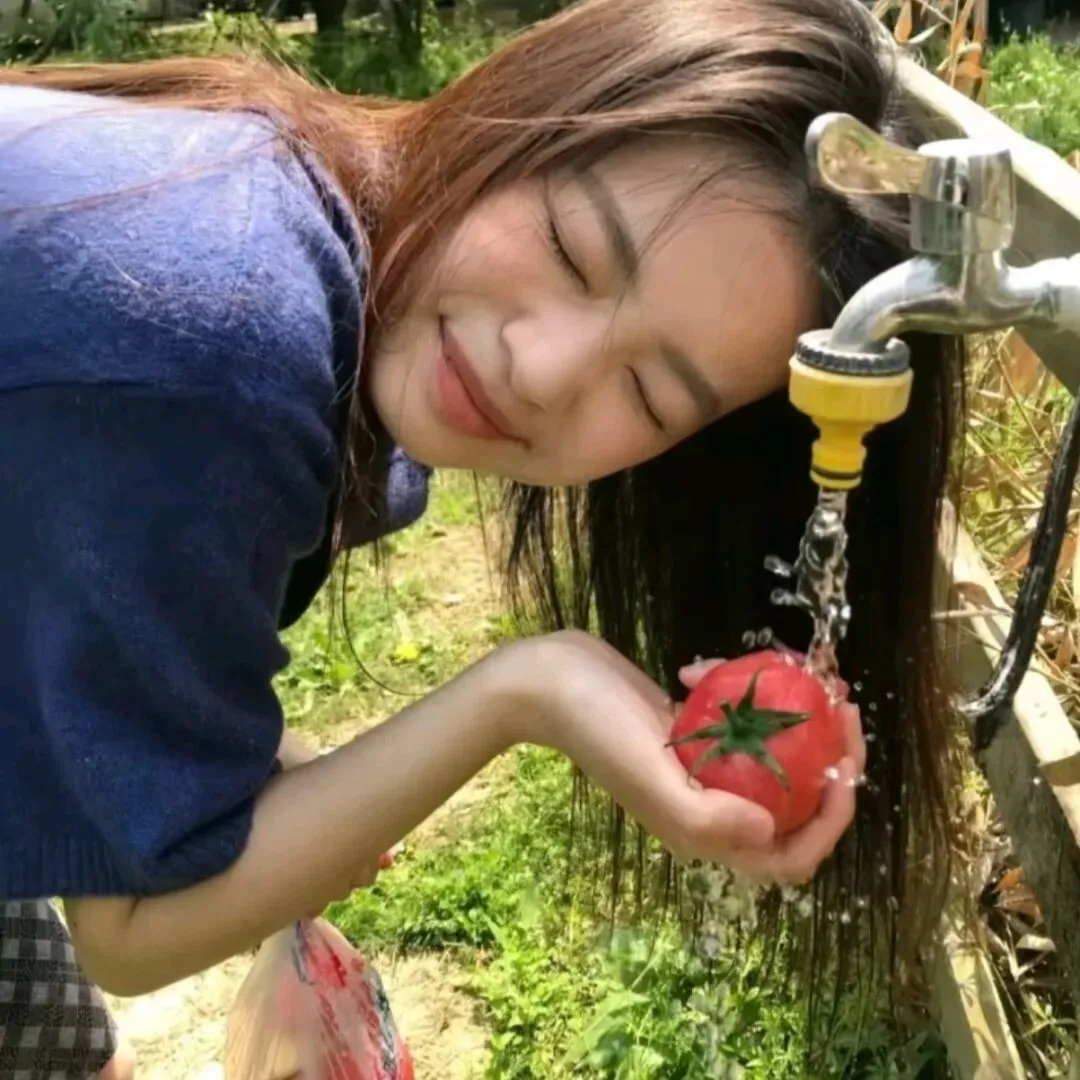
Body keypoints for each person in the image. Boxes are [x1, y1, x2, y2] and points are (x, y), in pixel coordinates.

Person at [0, 0, 967, 1073]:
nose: (543, 372)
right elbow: (136, 928)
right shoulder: (220, 327)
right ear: (519, 118)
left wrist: (243, 754)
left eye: (648, 394)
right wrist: (527, 690)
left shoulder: (271, 202)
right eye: (571, 249)